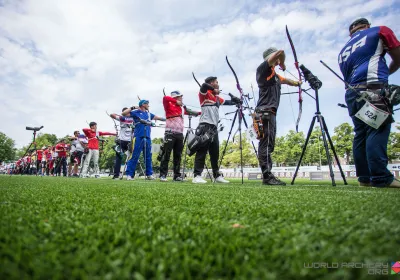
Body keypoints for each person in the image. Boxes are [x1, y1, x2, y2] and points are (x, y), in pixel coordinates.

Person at [338, 18, 400, 188]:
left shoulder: (343, 51)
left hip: (352, 94)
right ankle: (381, 177)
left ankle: (364, 178)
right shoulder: (379, 30)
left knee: (361, 134)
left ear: (351, 32)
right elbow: (398, 57)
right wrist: (386, 73)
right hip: (372, 88)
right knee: (376, 129)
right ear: (366, 26)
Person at [256, 47, 302, 186]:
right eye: (274, 59)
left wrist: (297, 83)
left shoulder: (275, 76)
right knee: (266, 144)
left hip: (267, 113)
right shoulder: (263, 69)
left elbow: (287, 80)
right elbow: (281, 52)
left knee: (268, 144)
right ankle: (267, 176)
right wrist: (282, 63)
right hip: (265, 112)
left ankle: (267, 175)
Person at [192, 76, 241, 184]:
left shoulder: (217, 98)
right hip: (205, 125)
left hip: (214, 127)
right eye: (216, 82)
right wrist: (213, 90)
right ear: (211, 83)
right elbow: (204, 85)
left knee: (215, 153)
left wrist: (236, 101)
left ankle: (217, 175)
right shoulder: (204, 93)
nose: (218, 84)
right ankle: (197, 176)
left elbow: (228, 102)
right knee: (202, 151)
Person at [159, 91, 201, 182]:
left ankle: (176, 175)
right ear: (176, 97)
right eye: (180, 97)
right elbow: (165, 98)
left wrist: (201, 113)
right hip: (170, 132)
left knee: (178, 155)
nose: (181, 98)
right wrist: (175, 101)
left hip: (179, 134)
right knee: (166, 154)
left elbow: (191, 112)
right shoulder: (169, 105)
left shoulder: (181, 108)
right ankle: (163, 175)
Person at [122, 100, 165, 180]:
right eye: (147, 104)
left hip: (148, 137)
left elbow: (159, 118)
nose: (148, 105)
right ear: (143, 105)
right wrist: (133, 107)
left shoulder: (149, 114)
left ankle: (149, 174)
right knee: (134, 156)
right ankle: (129, 175)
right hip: (138, 137)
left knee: (148, 156)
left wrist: (168, 119)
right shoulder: (135, 112)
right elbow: (124, 114)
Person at [109, 108, 136, 179]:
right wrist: (120, 115)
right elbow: (111, 115)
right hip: (122, 141)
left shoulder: (132, 119)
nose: (129, 113)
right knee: (119, 158)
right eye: (128, 112)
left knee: (131, 158)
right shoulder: (122, 118)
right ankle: (116, 175)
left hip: (130, 141)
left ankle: (130, 175)